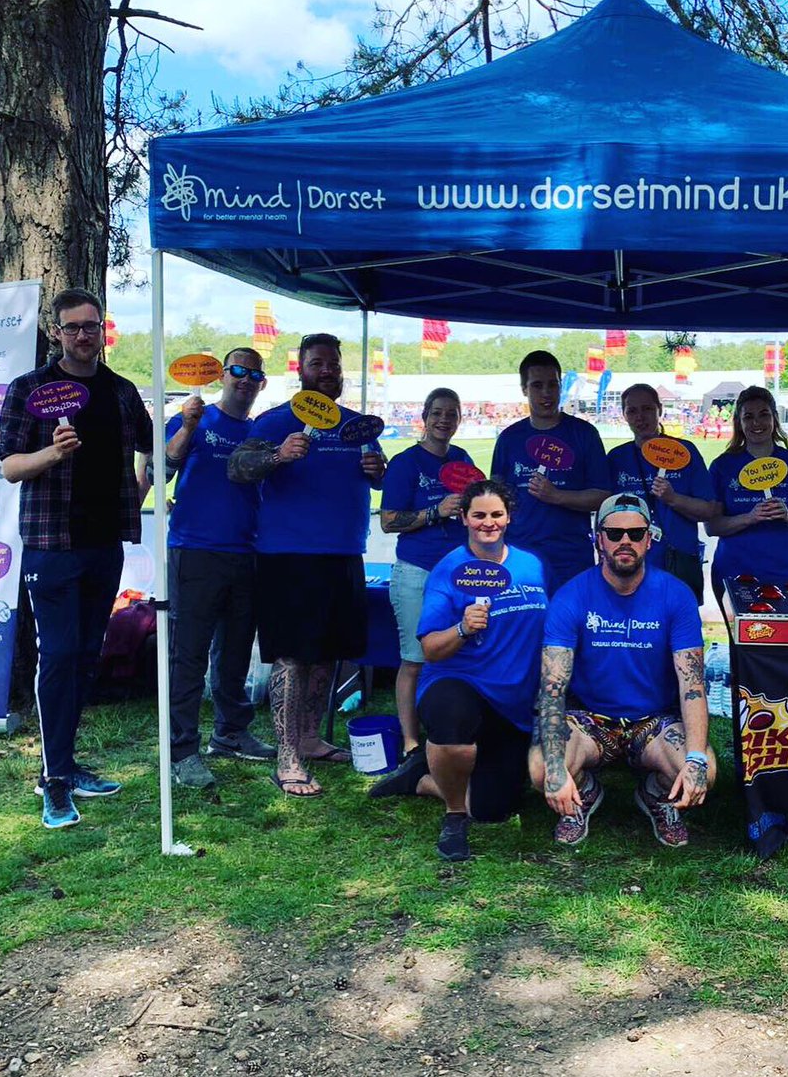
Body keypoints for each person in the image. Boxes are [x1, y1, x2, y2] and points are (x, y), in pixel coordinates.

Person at [0, 288, 152, 830]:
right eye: (72, 327)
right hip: (51, 546)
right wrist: (53, 452)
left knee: (87, 656)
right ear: (56, 331)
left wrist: (146, 483)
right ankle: (53, 780)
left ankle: (67, 761)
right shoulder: (30, 389)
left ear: (102, 330)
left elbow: (150, 451)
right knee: (59, 656)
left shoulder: (121, 392)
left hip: (104, 546)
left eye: (91, 326)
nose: (83, 335)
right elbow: (11, 467)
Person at [228, 332, 385, 797]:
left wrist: (380, 472)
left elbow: (382, 479)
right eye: (317, 364)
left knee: (329, 653)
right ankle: (287, 757)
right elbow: (238, 468)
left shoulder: (357, 425)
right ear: (300, 370)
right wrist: (278, 455)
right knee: (292, 656)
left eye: (333, 364)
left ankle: (311, 739)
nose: (327, 371)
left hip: (344, 553)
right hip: (288, 557)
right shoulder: (277, 420)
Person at [373, 480, 548, 861]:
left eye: (496, 514)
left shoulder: (530, 566)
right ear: (465, 518)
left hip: (511, 704)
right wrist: (463, 628)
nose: (488, 523)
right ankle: (453, 815)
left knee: (492, 810)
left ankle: (421, 778)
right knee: (452, 720)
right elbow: (431, 649)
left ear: (509, 518)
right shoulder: (448, 570)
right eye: (479, 515)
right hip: (458, 685)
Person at [530, 493, 711, 848]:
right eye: (613, 534)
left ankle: (655, 795)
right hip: (589, 720)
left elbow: (692, 686)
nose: (624, 541)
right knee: (541, 769)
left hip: (654, 720)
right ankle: (585, 792)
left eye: (634, 533)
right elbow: (552, 688)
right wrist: (555, 768)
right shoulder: (571, 596)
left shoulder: (676, 595)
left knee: (704, 768)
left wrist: (695, 760)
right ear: (599, 540)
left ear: (649, 538)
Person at [164, 347, 275, 789]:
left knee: (233, 650)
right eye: (237, 371)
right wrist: (188, 427)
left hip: (246, 552)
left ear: (261, 383)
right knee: (187, 654)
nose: (244, 379)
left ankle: (230, 732)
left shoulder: (258, 432)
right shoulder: (195, 417)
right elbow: (164, 466)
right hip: (195, 550)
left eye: (253, 373)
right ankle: (181, 749)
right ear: (223, 375)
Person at [376, 387, 475, 773]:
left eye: (452, 413)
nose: (444, 420)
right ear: (424, 416)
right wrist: (435, 512)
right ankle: (411, 741)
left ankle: (447, 732)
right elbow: (387, 522)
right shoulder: (405, 463)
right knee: (415, 658)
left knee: (457, 653)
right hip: (417, 571)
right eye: (437, 413)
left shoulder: (463, 461)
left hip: (460, 574)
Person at [491, 350, 611, 592]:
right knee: (525, 628)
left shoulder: (584, 434)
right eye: (537, 386)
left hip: (571, 558)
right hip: (520, 556)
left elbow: (603, 496)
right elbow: (495, 498)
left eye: (552, 385)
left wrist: (557, 496)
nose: (546, 393)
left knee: (570, 628)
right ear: (524, 389)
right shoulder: (509, 438)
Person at [705, 386, 788, 605]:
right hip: (732, 573)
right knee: (739, 638)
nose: (756, 423)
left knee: (782, 639)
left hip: (785, 574)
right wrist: (750, 517)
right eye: (748, 417)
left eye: (764, 414)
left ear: (775, 419)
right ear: (739, 423)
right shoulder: (722, 466)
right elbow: (712, 527)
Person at [607, 383, 713, 602]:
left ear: (660, 410)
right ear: (624, 415)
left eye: (647, 409)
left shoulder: (685, 452)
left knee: (679, 631)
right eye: (632, 411)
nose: (640, 417)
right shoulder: (617, 458)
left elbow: (710, 510)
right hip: (631, 565)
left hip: (679, 561)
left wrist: (674, 499)